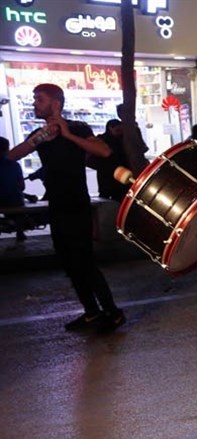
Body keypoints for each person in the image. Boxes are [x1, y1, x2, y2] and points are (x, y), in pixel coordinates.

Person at [8, 83, 126, 333]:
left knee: (85, 261)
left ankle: (113, 312)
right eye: (34, 99)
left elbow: (104, 151)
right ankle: (91, 312)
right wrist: (42, 137)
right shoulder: (40, 134)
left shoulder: (77, 128)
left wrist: (67, 134)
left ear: (56, 104)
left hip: (77, 204)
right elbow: (12, 156)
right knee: (68, 262)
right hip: (57, 205)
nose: (35, 104)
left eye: (39, 99)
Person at [94, 119, 128, 202]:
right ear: (110, 128)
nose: (119, 132)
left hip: (118, 175)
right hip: (108, 175)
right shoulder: (102, 140)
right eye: (117, 130)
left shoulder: (123, 139)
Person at [0, 136, 26, 243]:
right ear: (7, 149)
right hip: (14, 201)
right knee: (18, 198)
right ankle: (20, 232)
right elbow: (22, 187)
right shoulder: (15, 165)